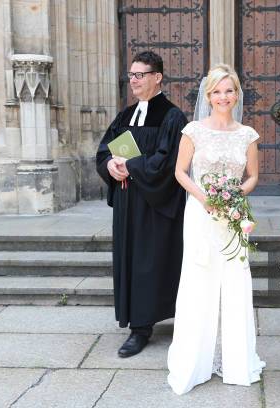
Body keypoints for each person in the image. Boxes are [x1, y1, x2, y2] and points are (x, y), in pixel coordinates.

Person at [167, 64, 265, 395]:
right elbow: (180, 172)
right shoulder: (193, 130)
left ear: (237, 94)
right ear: (208, 95)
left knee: (235, 284)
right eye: (217, 91)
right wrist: (205, 198)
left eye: (229, 90)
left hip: (234, 216)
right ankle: (197, 361)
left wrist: (237, 193)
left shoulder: (247, 134)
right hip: (200, 214)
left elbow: (252, 176)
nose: (224, 97)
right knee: (199, 282)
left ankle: (233, 359)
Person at [96, 51, 187, 358]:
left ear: (157, 77)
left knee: (152, 262)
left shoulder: (173, 117)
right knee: (130, 261)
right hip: (126, 205)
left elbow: (167, 161)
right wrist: (110, 165)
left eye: (139, 75)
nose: (132, 81)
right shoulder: (125, 115)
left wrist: (130, 166)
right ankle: (136, 322)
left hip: (154, 207)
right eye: (131, 75)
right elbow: (104, 150)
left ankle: (144, 328)